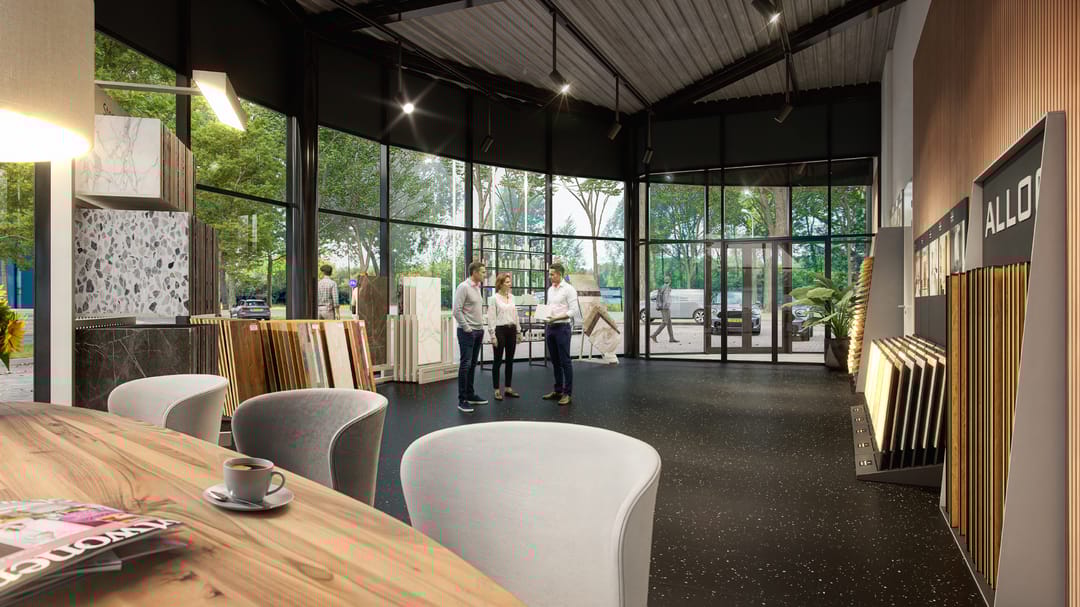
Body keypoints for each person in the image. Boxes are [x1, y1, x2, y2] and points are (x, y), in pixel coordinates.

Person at [453, 261, 489, 413]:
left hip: (478, 331)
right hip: (467, 332)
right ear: (474, 272)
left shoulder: (477, 288)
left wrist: (480, 327)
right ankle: (462, 400)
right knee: (465, 365)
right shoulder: (463, 287)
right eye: (482, 272)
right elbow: (456, 310)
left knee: (473, 364)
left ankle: (470, 394)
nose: (485, 274)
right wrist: (467, 328)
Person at [542, 262, 577, 406]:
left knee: (565, 361)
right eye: (549, 274)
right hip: (550, 328)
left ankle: (567, 393)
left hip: (562, 328)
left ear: (560, 274)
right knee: (555, 361)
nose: (549, 276)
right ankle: (557, 391)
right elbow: (549, 307)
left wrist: (556, 318)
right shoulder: (550, 289)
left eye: (552, 274)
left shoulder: (569, 289)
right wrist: (544, 315)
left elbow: (573, 311)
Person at [487, 273, 522, 401]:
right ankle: (496, 390)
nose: (509, 284)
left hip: (511, 330)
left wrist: (518, 331)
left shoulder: (512, 297)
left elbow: (515, 315)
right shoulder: (494, 298)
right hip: (499, 330)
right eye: (507, 282)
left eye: (509, 282)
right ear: (500, 284)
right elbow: (491, 318)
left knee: (510, 360)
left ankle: (508, 388)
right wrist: (492, 335)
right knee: (497, 361)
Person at [651, 273, 679, 343]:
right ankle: (654, 335)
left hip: (662, 306)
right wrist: (666, 306)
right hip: (665, 307)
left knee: (669, 322)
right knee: (665, 322)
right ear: (670, 281)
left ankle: (671, 338)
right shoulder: (667, 288)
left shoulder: (662, 287)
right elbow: (666, 298)